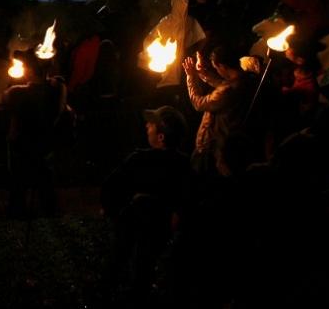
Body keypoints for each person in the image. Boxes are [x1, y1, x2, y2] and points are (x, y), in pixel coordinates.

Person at [99, 106, 198, 304]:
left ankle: (104, 291)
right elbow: (188, 197)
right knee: (147, 260)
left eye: (151, 125)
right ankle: (140, 292)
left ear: (161, 137)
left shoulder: (139, 159)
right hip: (159, 227)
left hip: (131, 221)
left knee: (118, 256)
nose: (147, 126)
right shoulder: (185, 165)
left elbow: (112, 187)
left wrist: (110, 209)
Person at [1, 52, 68, 218]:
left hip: (20, 142)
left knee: (18, 179)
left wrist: (15, 83)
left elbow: (3, 100)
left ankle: (16, 209)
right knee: (46, 177)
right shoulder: (59, 87)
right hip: (46, 141)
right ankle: (49, 208)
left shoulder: (16, 92)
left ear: (30, 71)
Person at [182, 46, 257, 176]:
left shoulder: (228, 91)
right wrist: (203, 74)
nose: (216, 70)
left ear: (222, 66)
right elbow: (225, 84)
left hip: (213, 151)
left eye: (216, 68)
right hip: (224, 148)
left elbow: (199, 104)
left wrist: (191, 77)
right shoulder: (246, 81)